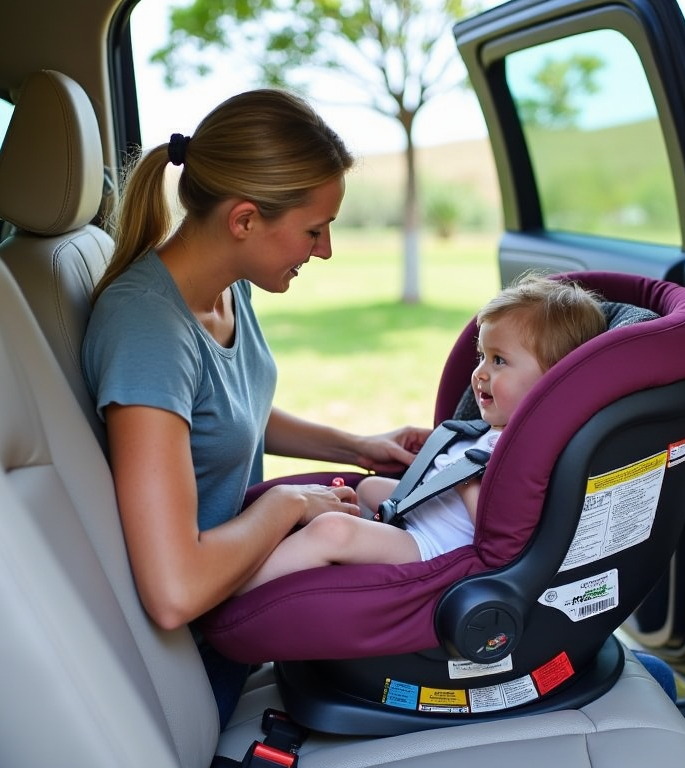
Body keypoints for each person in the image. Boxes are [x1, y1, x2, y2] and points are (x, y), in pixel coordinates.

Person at [81, 89, 430, 724]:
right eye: (314, 230)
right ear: (244, 220)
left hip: (247, 595)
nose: (323, 250)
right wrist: (290, 503)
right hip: (200, 649)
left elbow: (227, 414)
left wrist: (356, 447)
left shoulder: (227, 290)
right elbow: (173, 590)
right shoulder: (147, 331)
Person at [235, 274, 608, 594]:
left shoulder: (529, 450)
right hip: (422, 518)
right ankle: (292, 557)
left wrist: (462, 483)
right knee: (365, 489)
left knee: (334, 530)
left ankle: (235, 590)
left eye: (498, 361)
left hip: (435, 550)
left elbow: (502, 536)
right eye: (481, 356)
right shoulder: (495, 432)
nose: (479, 373)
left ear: (555, 380)